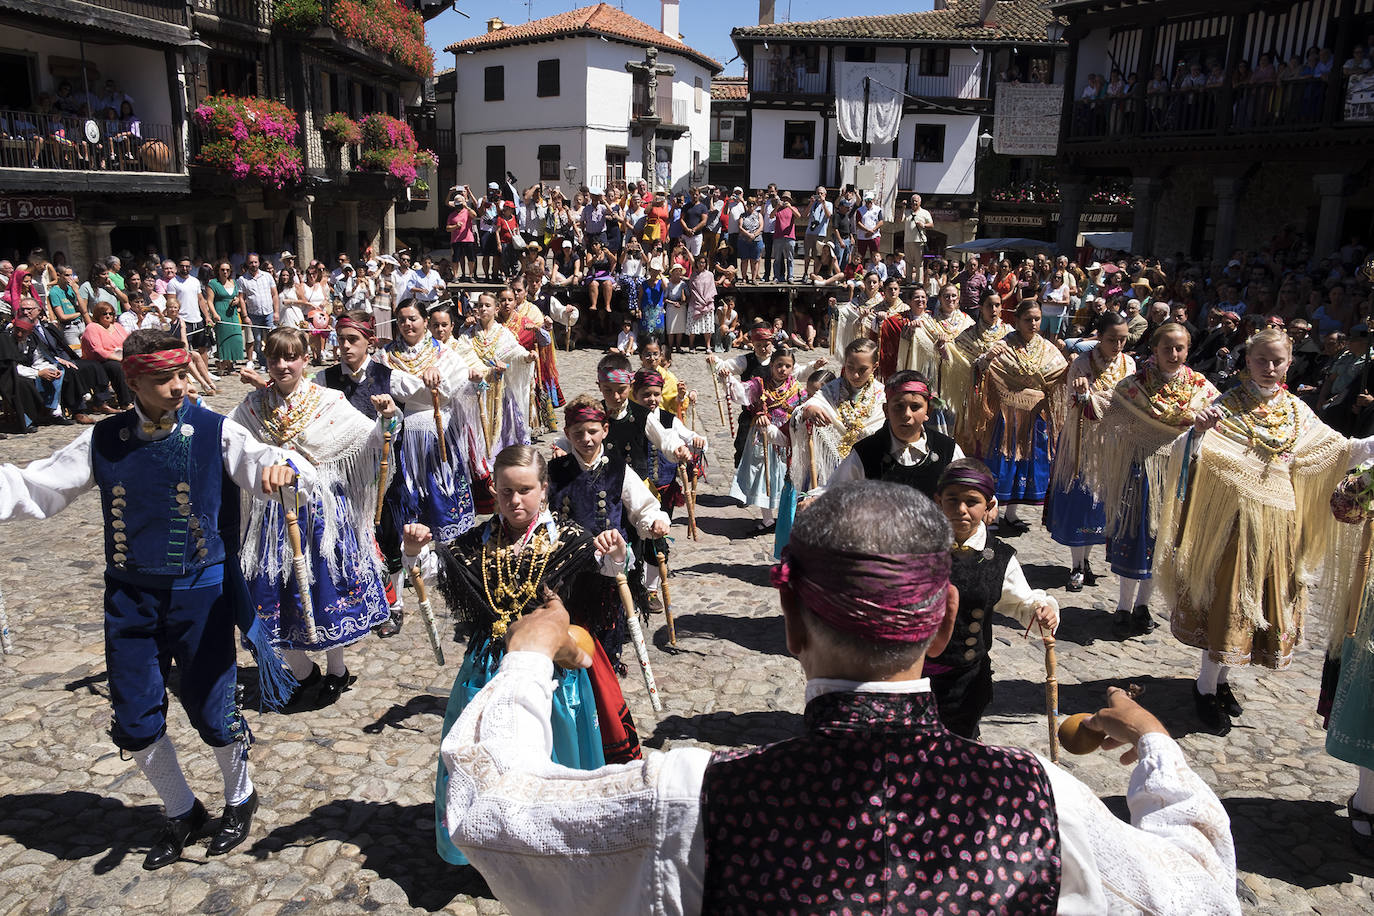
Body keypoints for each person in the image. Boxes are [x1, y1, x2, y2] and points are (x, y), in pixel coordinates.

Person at [436, 479, 1242, 915]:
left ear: (791, 622)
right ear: (941, 624)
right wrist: (1154, 747)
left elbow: (488, 808)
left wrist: (527, 663)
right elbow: (1200, 889)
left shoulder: (693, 798)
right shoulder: (1044, 804)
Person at [0, 330, 311, 869]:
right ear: (132, 380)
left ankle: (240, 795)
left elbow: (263, 461)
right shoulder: (103, 439)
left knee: (213, 709)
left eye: (182, 374)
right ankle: (182, 809)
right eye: (162, 378)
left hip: (201, 595)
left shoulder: (216, 431)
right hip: (129, 598)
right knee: (136, 719)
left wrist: (278, 472)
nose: (177, 387)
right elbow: (36, 488)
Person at [408, 444, 642, 866]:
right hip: (488, 669)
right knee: (487, 754)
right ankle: (487, 839)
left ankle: (554, 841)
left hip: (553, 671)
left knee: (550, 754)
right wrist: (415, 551)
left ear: (544, 489)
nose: (514, 501)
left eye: (525, 490)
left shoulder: (570, 540)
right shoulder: (477, 541)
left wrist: (615, 551)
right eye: (504, 492)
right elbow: (439, 570)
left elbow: (608, 571)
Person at [1157, 327, 1374, 735]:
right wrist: (1199, 431)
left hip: (1278, 527)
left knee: (1255, 606)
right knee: (1228, 602)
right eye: (1262, 360)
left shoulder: (1298, 412)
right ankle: (1205, 687)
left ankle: (1220, 682)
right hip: (1232, 526)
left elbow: (1340, 450)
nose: (1270, 368)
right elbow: (1185, 452)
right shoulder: (1226, 407)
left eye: (1277, 361)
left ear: (1289, 363)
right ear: (1247, 360)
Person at [232, 327, 396, 706]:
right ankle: (305, 671)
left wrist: (386, 419)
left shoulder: (328, 401)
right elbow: (227, 440)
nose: (282, 365)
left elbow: (368, 439)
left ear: (306, 359)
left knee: (326, 585)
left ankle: (337, 669)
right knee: (275, 592)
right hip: (272, 514)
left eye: (291, 357)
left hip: (323, 514)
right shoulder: (253, 407)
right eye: (274, 358)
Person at [1082, 322, 1218, 639]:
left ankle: (1144, 605)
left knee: (1163, 540)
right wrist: (1084, 400)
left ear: (1188, 350)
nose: (1173, 353)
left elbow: (1220, 427)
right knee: (1135, 537)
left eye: (1179, 348)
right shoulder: (1134, 387)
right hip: (1138, 472)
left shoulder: (1202, 389)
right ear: (1154, 349)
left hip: (1179, 474)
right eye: (1167, 347)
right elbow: (1103, 409)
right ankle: (1124, 606)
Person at [931, 460, 1058, 738]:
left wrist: (1042, 612)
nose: (961, 509)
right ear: (938, 500)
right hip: (909, 677)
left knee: (956, 752)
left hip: (964, 684)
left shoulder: (999, 559)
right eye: (952, 500)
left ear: (988, 506)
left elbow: (1023, 604)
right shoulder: (916, 546)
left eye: (971, 501)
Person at [548, 393, 670, 663]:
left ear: (605, 430)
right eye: (578, 433)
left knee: (605, 633)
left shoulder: (618, 469)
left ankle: (605, 675)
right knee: (567, 634)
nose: (586, 439)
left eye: (592, 431)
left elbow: (642, 506)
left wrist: (654, 522)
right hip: (566, 570)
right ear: (568, 433)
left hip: (608, 566)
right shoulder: (555, 470)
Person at [1043, 313, 1135, 592]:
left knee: (1100, 506)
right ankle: (1076, 565)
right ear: (1099, 337)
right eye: (1111, 339)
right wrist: (1087, 398)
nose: (1117, 345)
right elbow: (1075, 403)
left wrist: (1101, 402)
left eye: (1122, 339)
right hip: (1083, 443)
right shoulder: (1082, 364)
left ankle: (1088, 561)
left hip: (1113, 444)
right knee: (1080, 502)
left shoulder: (1129, 363)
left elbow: (1131, 401)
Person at [968, 301, 1067, 533]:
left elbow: (1060, 376)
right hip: (1006, 415)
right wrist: (987, 358)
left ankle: (1011, 514)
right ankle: (992, 510)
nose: (1033, 324)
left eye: (1037, 319)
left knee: (1027, 463)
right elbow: (978, 369)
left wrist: (1070, 368)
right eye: (1028, 319)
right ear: (1017, 321)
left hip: (1036, 416)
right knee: (1002, 462)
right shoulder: (1003, 344)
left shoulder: (1047, 348)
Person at [811, 369, 963, 500]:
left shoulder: (947, 450)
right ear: (886, 410)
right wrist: (811, 500)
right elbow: (833, 491)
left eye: (915, 407)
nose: (906, 414)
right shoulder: (866, 453)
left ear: (928, 411)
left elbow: (969, 488)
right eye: (898, 407)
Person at [453, 290, 536, 482]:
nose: (482, 309)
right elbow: (462, 356)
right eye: (480, 305)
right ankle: (482, 470)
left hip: (499, 391)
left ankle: (504, 468)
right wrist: (485, 370)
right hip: (477, 392)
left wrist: (526, 358)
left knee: (503, 429)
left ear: (496, 308)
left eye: (487, 305)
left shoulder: (503, 333)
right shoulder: (468, 334)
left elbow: (515, 352)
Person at [793, 337, 884, 495]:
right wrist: (810, 409)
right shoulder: (831, 390)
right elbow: (804, 409)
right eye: (850, 367)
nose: (855, 375)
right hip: (832, 468)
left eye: (862, 369)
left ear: (875, 367)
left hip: (868, 465)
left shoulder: (882, 395)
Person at [728, 346, 802, 532]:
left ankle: (788, 517)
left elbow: (804, 409)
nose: (782, 369)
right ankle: (768, 519)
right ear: (771, 366)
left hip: (786, 439)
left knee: (788, 477)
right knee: (764, 477)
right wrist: (727, 378)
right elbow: (740, 392)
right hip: (763, 439)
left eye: (787, 366)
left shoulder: (797, 389)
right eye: (779, 365)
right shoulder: (759, 384)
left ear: (792, 368)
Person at [208, 261, 244, 368]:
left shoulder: (233, 282)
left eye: (227, 270)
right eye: (222, 270)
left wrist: (237, 301)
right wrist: (214, 314)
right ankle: (226, 364)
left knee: (236, 338)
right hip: (221, 312)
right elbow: (209, 301)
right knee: (224, 339)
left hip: (232, 313)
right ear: (218, 271)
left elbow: (237, 296)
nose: (225, 272)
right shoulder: (213, 283)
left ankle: (228, 363)